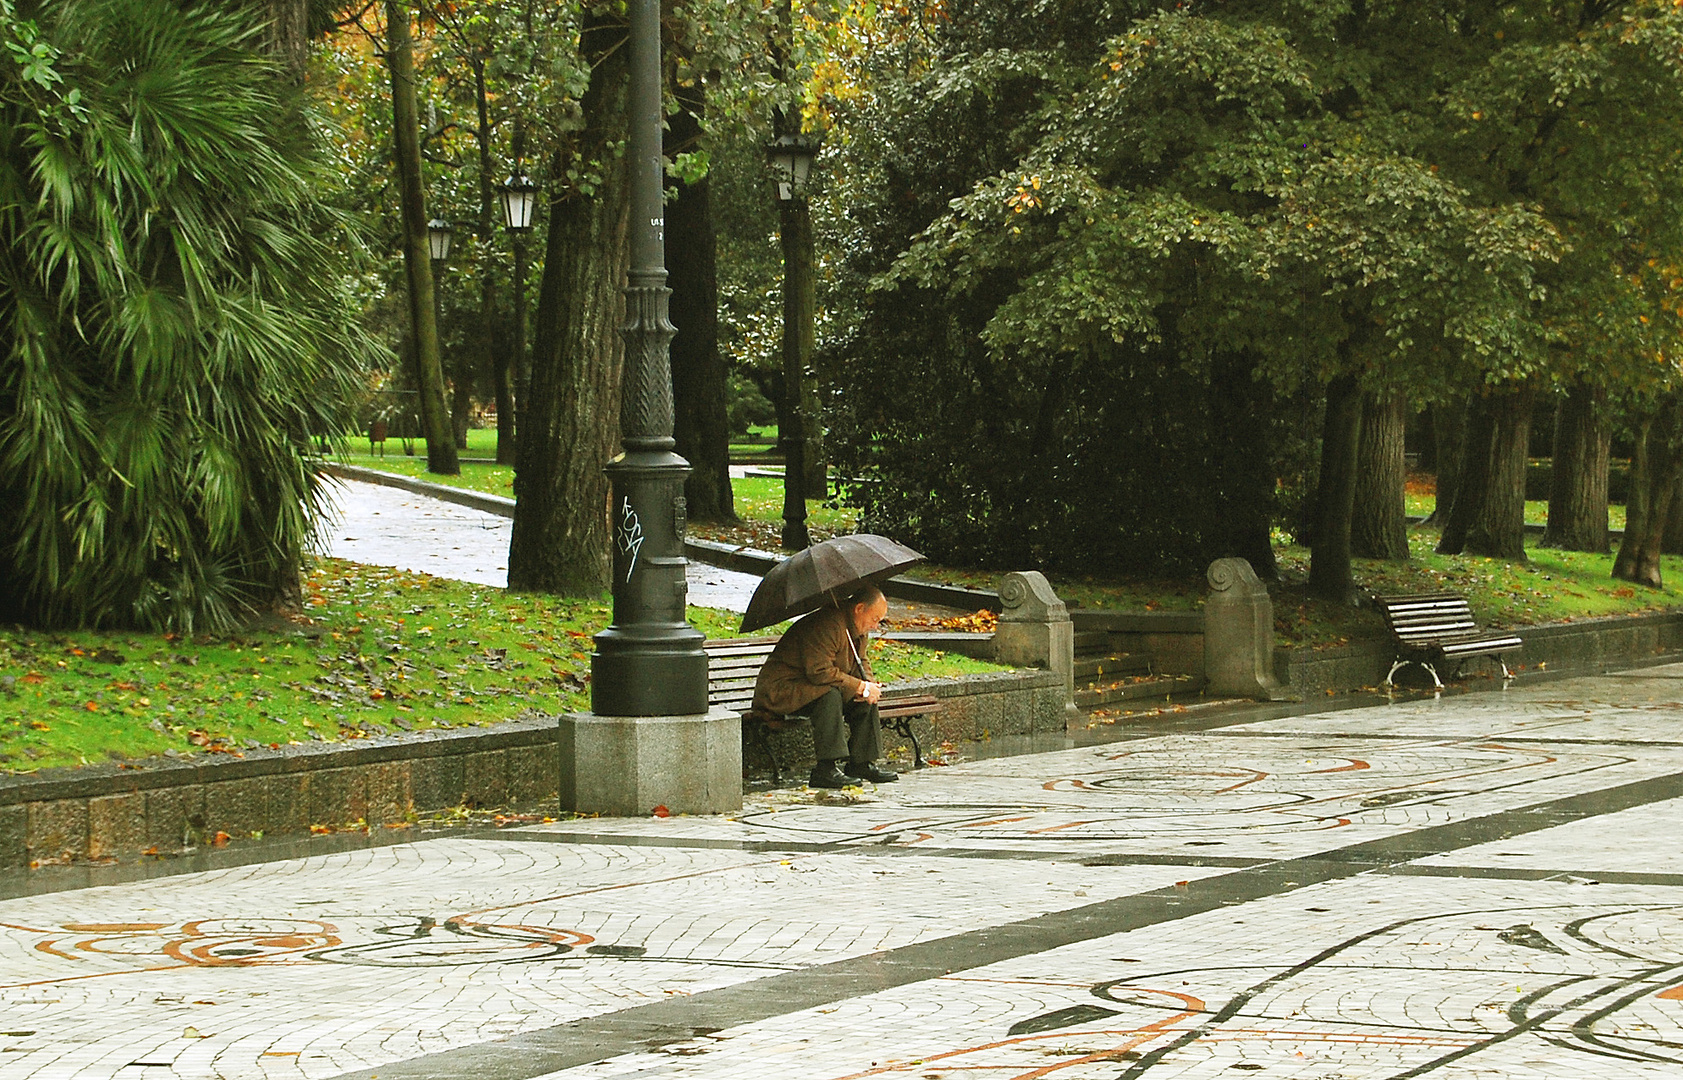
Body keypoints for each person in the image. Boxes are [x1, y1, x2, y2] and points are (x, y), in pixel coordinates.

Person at [751, 584, 900, 788]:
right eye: (875, 619)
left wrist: (869, 685)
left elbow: (861, 661)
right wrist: (861, 686)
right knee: (829, 695)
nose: (876, 626)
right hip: (782, 690)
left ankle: (861, 763)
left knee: (864, 698)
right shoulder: (826, 624)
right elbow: (819, 672)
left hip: (809, 686)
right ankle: (825, 769)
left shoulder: (857, 628)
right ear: (859, 608)